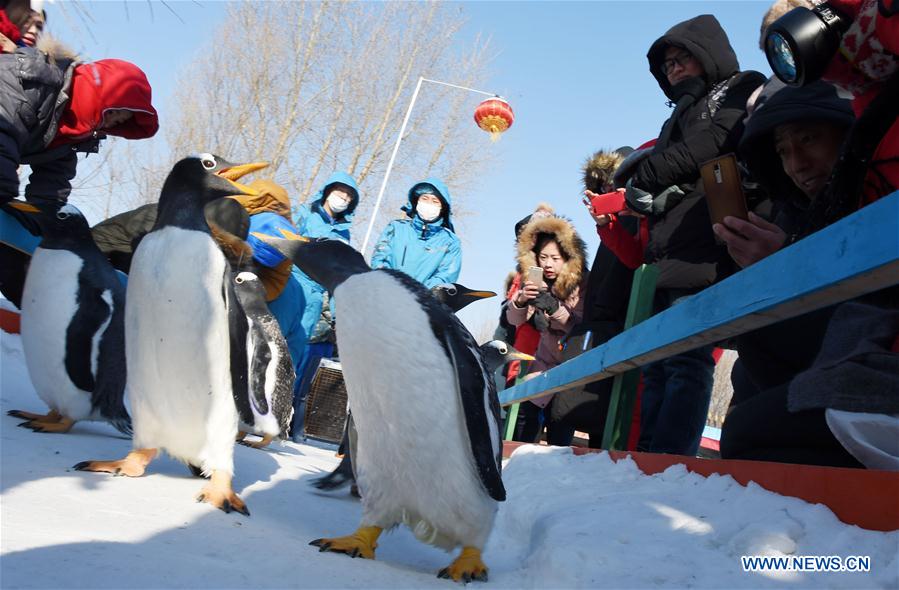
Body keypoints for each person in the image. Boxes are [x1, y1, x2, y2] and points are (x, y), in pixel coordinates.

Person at [714, 80, 899, 468]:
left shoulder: (880, 194)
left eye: (809, 139)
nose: (796, 163)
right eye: (783, 151)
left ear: (849, 135)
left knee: (744, 432)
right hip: (846, 368)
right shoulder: (799, 218)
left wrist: (789, 271)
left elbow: (875, 306)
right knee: (748, 385)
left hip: (879, 371)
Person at [611, 15, 765, 457]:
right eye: (668, 64)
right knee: (658, 365)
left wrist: (651, 172)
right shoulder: (678, 114)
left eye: (683, 58)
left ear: (708, 54)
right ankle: (648, 454)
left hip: (708, 246)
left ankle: (671, 459)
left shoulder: (740, 86)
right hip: (667, 250)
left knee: (686, 361)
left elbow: (719, 139)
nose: (674, 69)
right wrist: (646, 194)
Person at [0, 42, 158, 306]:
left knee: (29, 245)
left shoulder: (70, 135)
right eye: (117, 111)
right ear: (102, 91)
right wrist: (3, 192)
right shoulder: (30, 79)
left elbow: (51, 187)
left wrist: (47, 224)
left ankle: (37, 315)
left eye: (121, 121)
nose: (115, 122)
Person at [505, 214, 588, 446]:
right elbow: (514, 320)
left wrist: (553, 307)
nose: (548, 264)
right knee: (523, 429)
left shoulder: (582, 283)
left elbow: (578, 325)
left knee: (559, 434)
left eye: (554, 258)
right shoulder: (535, 280)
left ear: (568, 258)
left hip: (569, 369)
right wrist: (520, 301)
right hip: (540, 365)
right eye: (543, 258)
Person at [288, 171, 360, 437]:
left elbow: (339, 273)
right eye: (340, 191)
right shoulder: (303, 214)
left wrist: (341, 317)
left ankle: (283, 420)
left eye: (348, 196)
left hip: (316, 297)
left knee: (297, 361)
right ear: (327, 191)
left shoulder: (344, 234)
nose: (343, 197)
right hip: (290, 284)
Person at [370, 178, 461, 289]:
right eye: (425, 199)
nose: (429, 204)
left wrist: (420, 293)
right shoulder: (396, 228)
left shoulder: (450, 242)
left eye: (435, 201)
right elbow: (380, 258)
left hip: (420, 301)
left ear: (442, 208)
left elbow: (446, 275)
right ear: (417, 201)